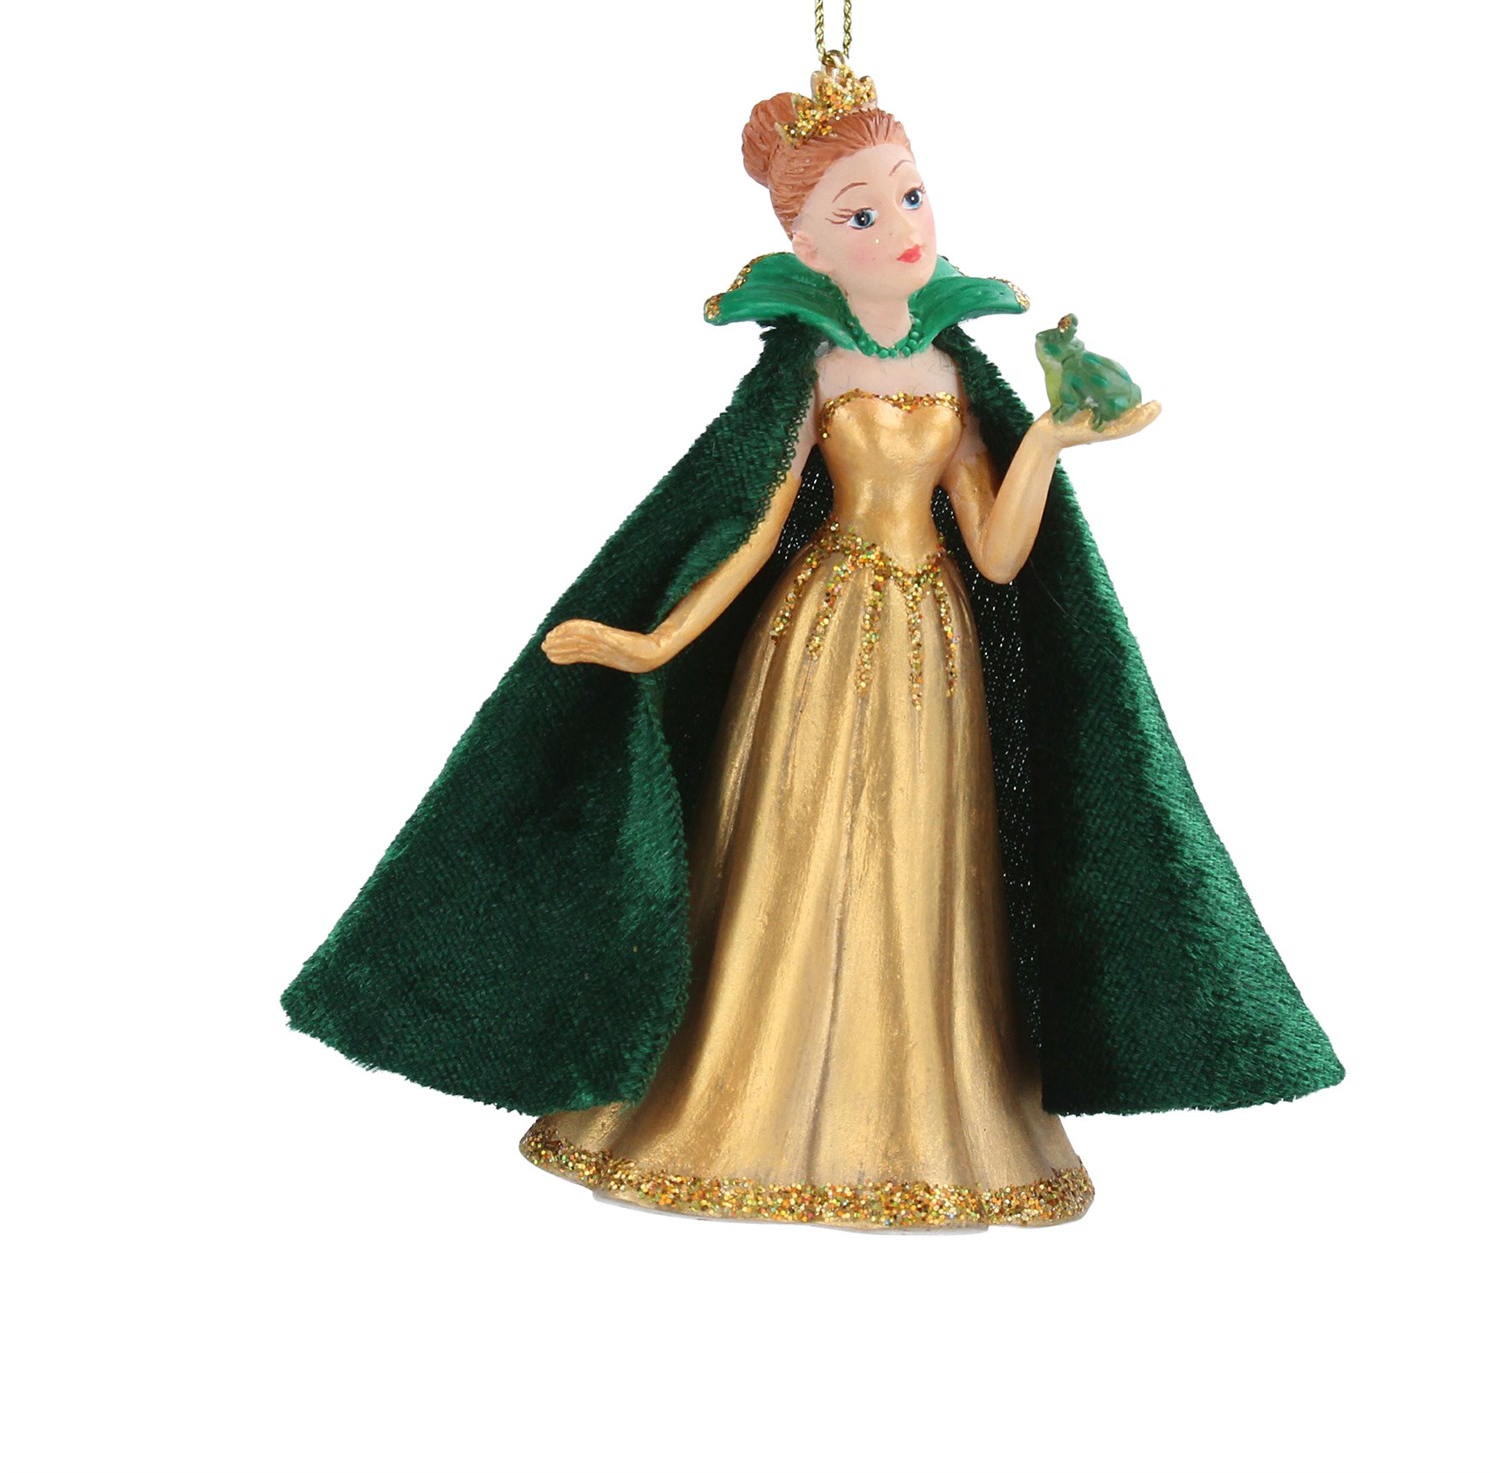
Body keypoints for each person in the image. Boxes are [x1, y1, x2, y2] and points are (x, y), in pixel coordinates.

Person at [281, 65, 1344, 1232]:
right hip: (821, 634)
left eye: (911, 194)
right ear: (807, 245)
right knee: (793, 848)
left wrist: (1046, 439)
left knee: (924, 860)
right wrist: (652, 640)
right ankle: (730, 1102)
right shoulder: (821, 371)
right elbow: (746, 530)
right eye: (860, 212)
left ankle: (926, 1113)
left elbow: (997, 557)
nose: (902, 227)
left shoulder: (952, 375)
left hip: (935, 650)